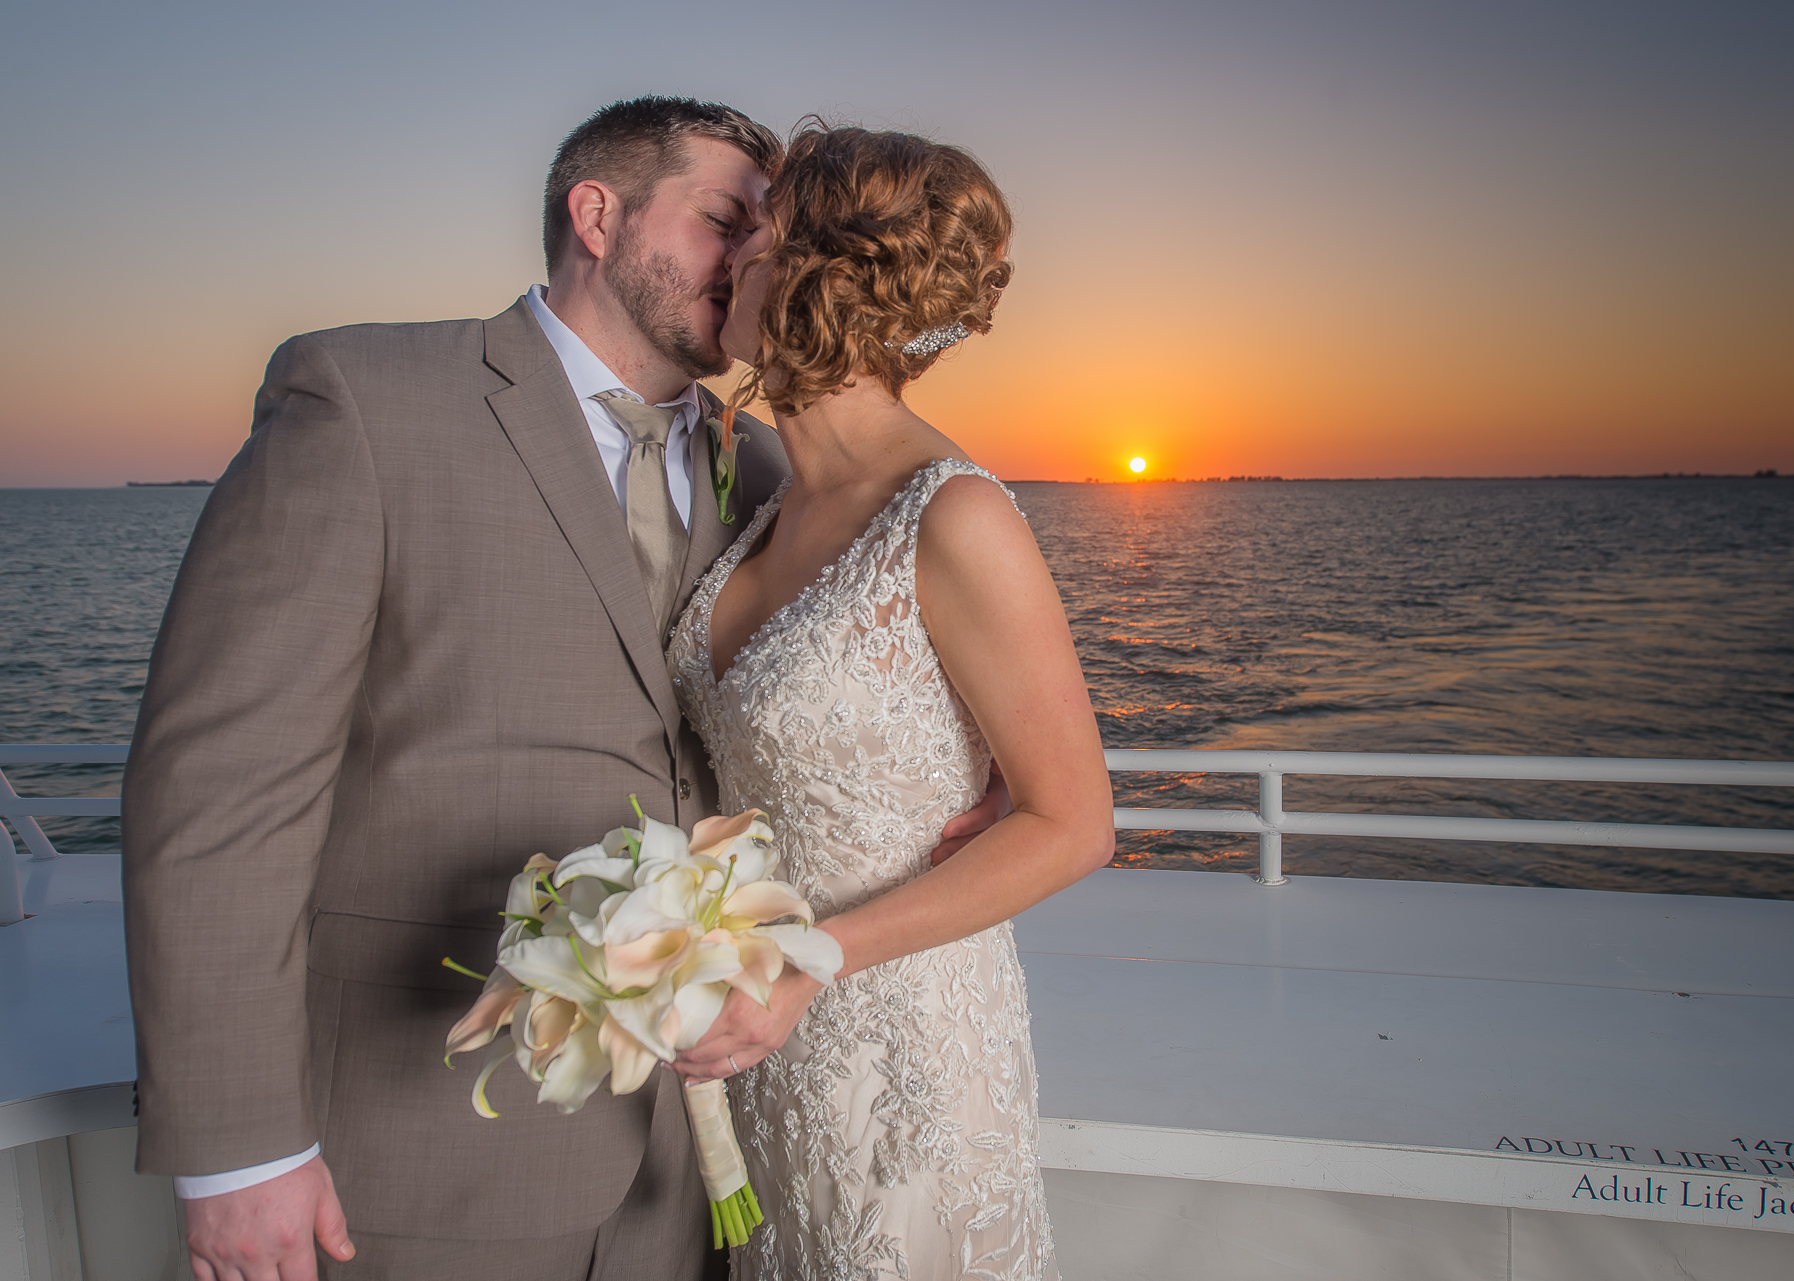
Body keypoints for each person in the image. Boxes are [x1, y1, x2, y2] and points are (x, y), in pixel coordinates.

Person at [121, 97, 1006, 1281]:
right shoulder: (367, 401)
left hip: (695, 1149)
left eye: (767, 232)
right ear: (597, 215)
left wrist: (973, 765)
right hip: (420, 1133)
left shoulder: (771, 468)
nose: (752, 256)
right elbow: (218, 788)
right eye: (721, 220)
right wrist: (234, 1150)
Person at [664, 126, 1115, 1280]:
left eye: (748, 234)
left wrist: (813, 960)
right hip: (764, 1049)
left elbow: (1074, 824)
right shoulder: (765, 494)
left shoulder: (956, 516)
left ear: (814, 274)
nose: (726, 261)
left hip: (901, 1038)